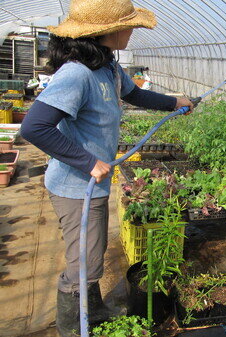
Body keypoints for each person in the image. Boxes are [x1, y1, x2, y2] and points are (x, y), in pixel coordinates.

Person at [21, 0, 193, 336]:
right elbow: (34, 127)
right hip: (75, 186)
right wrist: (88, 161)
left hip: (92, 184)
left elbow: (136, 97)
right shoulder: (77, 73)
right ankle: (72, 328)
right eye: (129, 25)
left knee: (93, 253)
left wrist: (175, 102)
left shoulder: (107, 68)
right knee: (83, 263)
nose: (133, 31)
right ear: (107, 31)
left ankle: (94, 311)